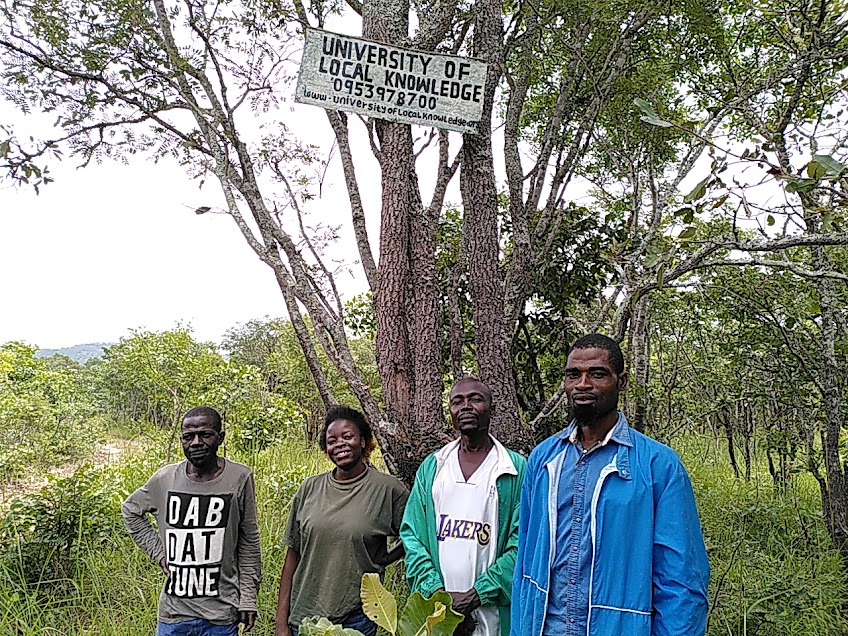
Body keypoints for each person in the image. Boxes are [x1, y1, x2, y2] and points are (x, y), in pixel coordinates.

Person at [510, 333, 710, 636]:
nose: (583, 384)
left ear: (622, 381)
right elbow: (525, 561)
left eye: (597, 374)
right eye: (573, 374)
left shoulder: (658, 466)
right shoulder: (543, 460)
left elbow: (681, 582)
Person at [401, 377, 527, 636]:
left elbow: (524, 543)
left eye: (476, 399)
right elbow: (412, 535)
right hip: (437, 615)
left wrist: (476, 595)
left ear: (491, 408)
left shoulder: (514, 470)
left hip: (493, 616)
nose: (466, 407)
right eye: (457, 401)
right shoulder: (434, 467)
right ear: (451, 412)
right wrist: (440, 598)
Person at [122, 406, 261, 636]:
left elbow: (249, 541)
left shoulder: (239, 477)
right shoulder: (166, 479)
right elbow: (131, 510)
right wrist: (160, 553)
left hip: (221, 614)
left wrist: (248, 598)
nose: (196, 442)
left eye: (205, 434)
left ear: (220, 438)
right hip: (174, 615)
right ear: (181, 441)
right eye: (188, 437)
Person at [275, 405, 409, 636]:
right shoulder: (310, 487)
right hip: (304, 617)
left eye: (348, 436)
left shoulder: (388, 489)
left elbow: (416, 535)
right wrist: (281, 622)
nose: (340, 444)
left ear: (364, 441)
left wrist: (387, 557)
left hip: (355, 619)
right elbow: (292, 558)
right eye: (332, 440)